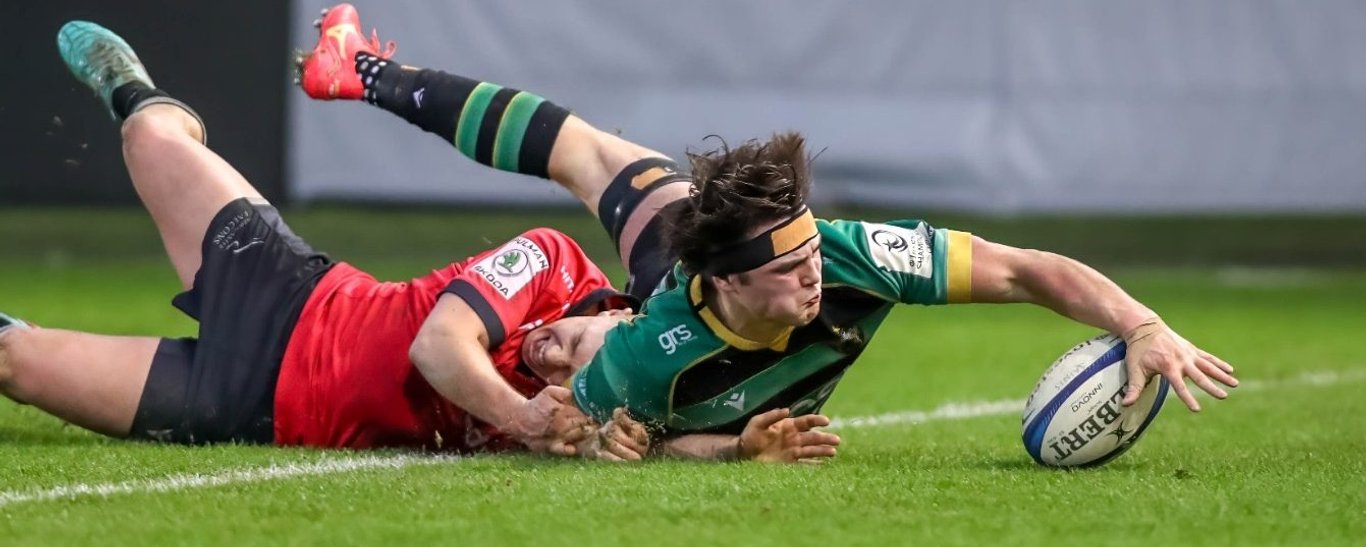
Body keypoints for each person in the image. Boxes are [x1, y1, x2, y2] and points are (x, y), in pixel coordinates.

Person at [297, 4, 1238, 445]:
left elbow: (1024, 269)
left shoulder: (848, 255)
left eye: (807, 244)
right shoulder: (653, 346)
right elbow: (596, 438)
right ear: (736, 276)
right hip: (682, 276)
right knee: (585, 158)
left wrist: (1140, 324)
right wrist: (608, 430)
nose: (816, 268)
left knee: (586, 152)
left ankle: (363, 73)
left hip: (708, 283)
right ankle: (361, 73)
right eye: (789, 258)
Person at [0, 20, 839, 463]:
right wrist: (524, 416)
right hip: (292, 297)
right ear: (615, 311)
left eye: (565, 371)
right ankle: (150, 96)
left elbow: (659, 444)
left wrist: (739, 450)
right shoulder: (553, 265)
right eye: (570, 342)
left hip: (246, 406)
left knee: (20, 367)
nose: (547, 353)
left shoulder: (609, 401)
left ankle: (361, 71)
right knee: (150, 141)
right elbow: (441, 345)